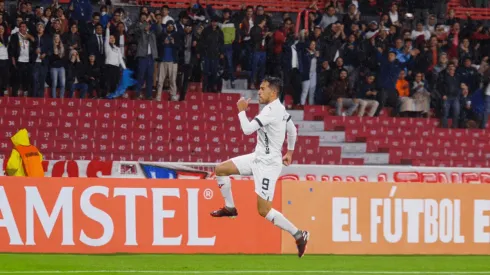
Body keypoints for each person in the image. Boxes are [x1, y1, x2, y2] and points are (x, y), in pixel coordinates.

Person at [210, 76, 309, 258]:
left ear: (273, 92)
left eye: (263, 89)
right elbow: (292, 129)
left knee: (263, 210)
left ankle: (298, 234)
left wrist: (241, 111)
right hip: (257, 157)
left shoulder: (270, 111)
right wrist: (290, 152)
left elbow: (247, 130)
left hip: (268, 165)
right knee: (221, 169)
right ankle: (230, 208)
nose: (259, 92)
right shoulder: (279, 109)